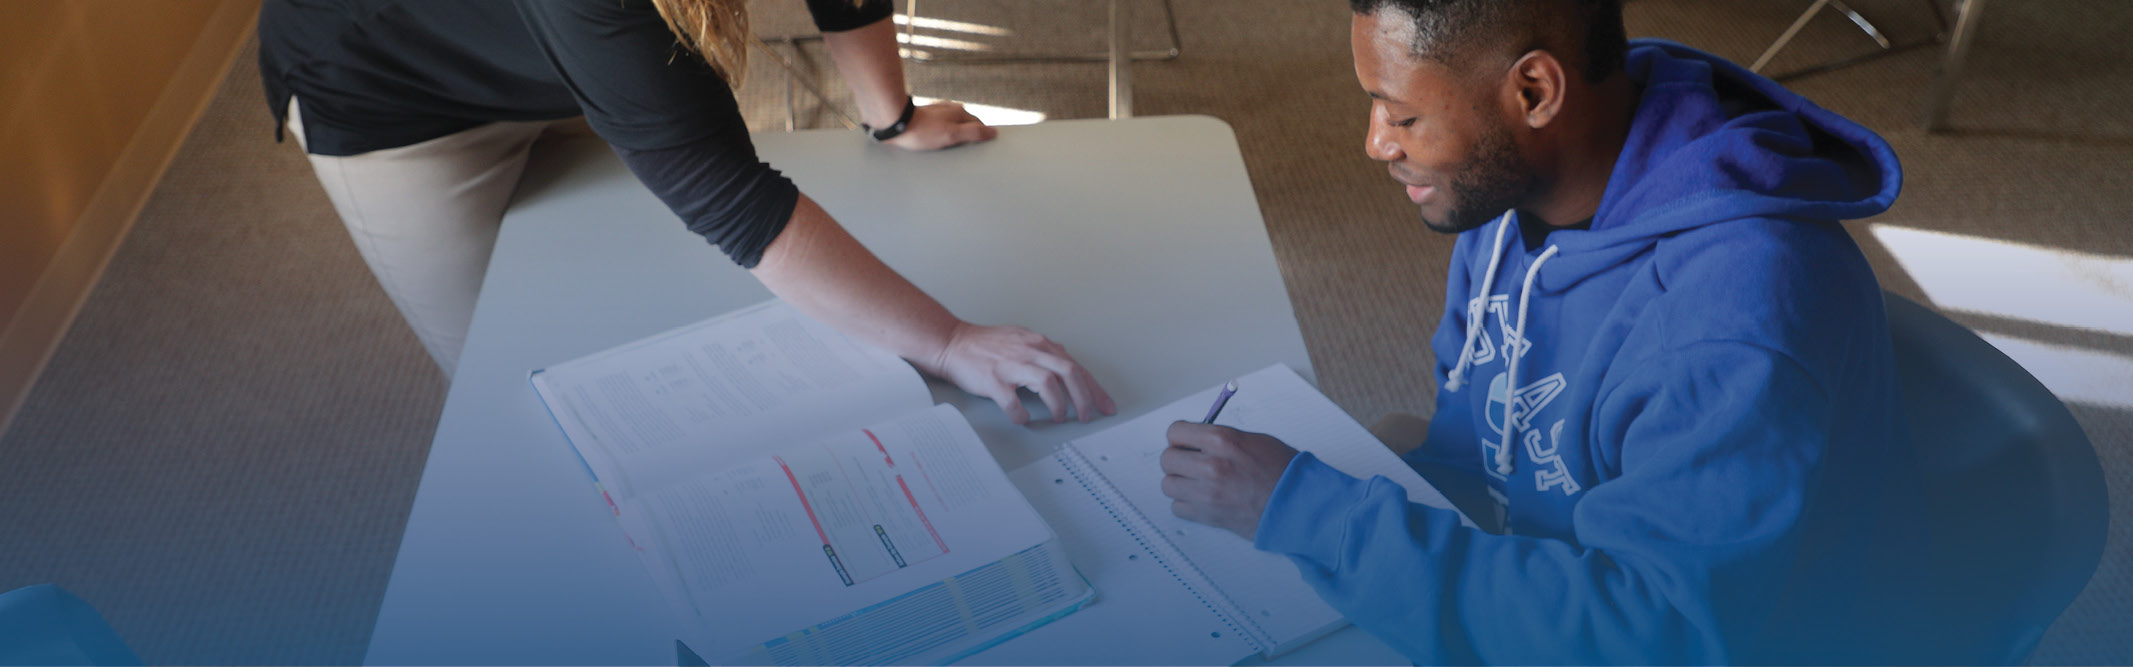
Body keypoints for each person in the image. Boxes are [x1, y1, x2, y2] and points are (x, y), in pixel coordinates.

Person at [1158, 0, 1929, 661]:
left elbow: (1653, 637)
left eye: (1403, 114)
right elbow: (1470, 451)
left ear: (1533, 89)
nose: (1377, 144)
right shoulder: (1514, 190)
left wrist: (1313, 517)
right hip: (1538, 572)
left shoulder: (1730, 320)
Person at [258, 0, 1114, 425]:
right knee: (519, 389)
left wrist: (889, 114)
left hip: (563, 57)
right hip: (396, 106)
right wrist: (949, 340)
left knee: (667, 307)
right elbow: (730, 197)